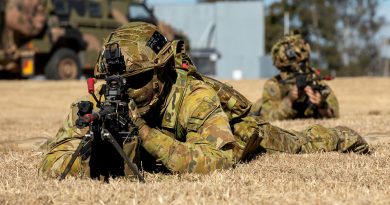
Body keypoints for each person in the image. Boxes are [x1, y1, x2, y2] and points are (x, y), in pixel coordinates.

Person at [38, 22, 369, 179]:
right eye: (114, 83)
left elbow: (216, 162)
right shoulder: (104, 100)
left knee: (300, 144)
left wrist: (144, 133)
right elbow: (51, 164)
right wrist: (93, 154)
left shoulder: (193, 97)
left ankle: (343, 136)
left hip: (238, 134)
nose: (124, 92)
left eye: (136, 81)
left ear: (162, 72)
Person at [250, 33, 339, 121]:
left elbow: (334, 113)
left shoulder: (314, 80)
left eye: (303, 64)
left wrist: (322, 105)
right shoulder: (275, 85)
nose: (300, 70)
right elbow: (268, 117)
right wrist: (289, 99)